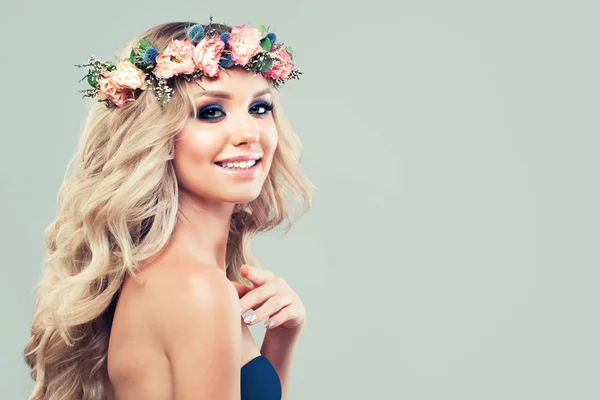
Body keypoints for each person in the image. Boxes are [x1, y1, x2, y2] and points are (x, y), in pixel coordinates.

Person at [23, 19, 313, 400]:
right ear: (155, 135)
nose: (250, 134)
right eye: (211, 112)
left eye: (260, 107)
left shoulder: (169, 277)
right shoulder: (197, 289)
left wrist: (282, 338)